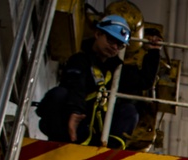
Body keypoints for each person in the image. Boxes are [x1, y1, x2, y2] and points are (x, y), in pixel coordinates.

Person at [36, 15, 161, 149]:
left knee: (129, 111)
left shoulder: (117, 71)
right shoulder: (79, 60)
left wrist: (153, 52)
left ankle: (109, 153)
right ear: (97, 34)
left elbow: (144, 81)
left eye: (119, 45)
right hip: (73, 124)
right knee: (58, 94)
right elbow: (75, 85)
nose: (114, 47)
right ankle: (59, 141)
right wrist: (75, 112)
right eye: (111, 40)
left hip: (97, 131)